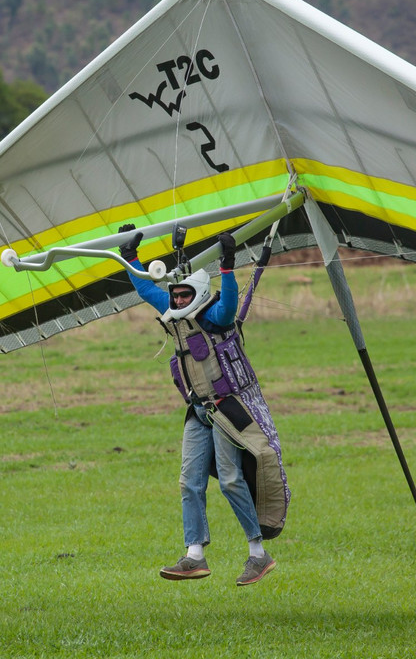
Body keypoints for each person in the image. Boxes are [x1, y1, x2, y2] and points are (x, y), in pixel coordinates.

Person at [118, 224, 279, 586]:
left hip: (227, 409)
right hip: (199, 410)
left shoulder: (215, 316)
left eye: (181, 296)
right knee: (188, 482)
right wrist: (130, 257)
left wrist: (227, 265)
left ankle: (258, 554)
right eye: (174, 297)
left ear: (198, 294)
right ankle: (194, 556)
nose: (174, 302)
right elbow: (147, 289)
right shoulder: (173, 310)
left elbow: (230, 304)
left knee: (231, 480)